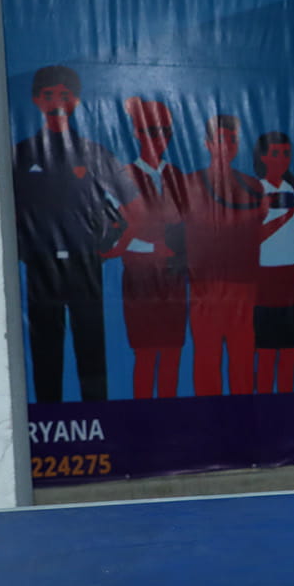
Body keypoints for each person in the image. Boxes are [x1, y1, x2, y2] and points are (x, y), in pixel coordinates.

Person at [11, 65, 128, 403]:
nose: (56, 103)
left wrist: (108, 245)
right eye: (48, 95)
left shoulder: (94, 153)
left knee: (91, 347)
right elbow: (7, 210)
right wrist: (26, 250)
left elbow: (130, 205)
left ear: (76, 101)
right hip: (41, 267)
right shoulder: (21, 154)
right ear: (36, 100)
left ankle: (99, 418)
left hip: (84, 265)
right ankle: (48, 420)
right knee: (45, 350)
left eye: (64, 95)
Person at [180, 115, 294, 396]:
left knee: (243, 358)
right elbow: (206, 230)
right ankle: (208, 416)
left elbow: (254, 237)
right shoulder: (190, 183)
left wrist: (281, 218)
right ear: (208, 144)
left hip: (244, 285)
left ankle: (242, 416)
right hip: (205, 286)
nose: (228, 145)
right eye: (222, 139)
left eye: (233, 139)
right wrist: (254, 214)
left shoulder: (252, 186)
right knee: (207, 359)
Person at [103, 97, 191, 399]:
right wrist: (149, 247)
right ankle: (143, 417)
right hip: (140, 279)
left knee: (172, 353)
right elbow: (108, 239)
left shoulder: (177, 177)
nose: (159, 138)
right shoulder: (122, 176)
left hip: (174, 278)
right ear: (137, 133)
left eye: (165, 131)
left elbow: (188, 227)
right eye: (151, 131)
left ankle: (170, 417)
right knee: (145, 353)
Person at [252, 131, 294, 393]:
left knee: (289, 351)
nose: (282, 159)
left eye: (286, 153)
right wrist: (283, 217)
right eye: (276, 153)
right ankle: (263, 408)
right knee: (265, 353)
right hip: (264, 279)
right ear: (263, 157)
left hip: (291, 278)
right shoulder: (254, 191)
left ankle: (287, 406)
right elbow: (251, 238)